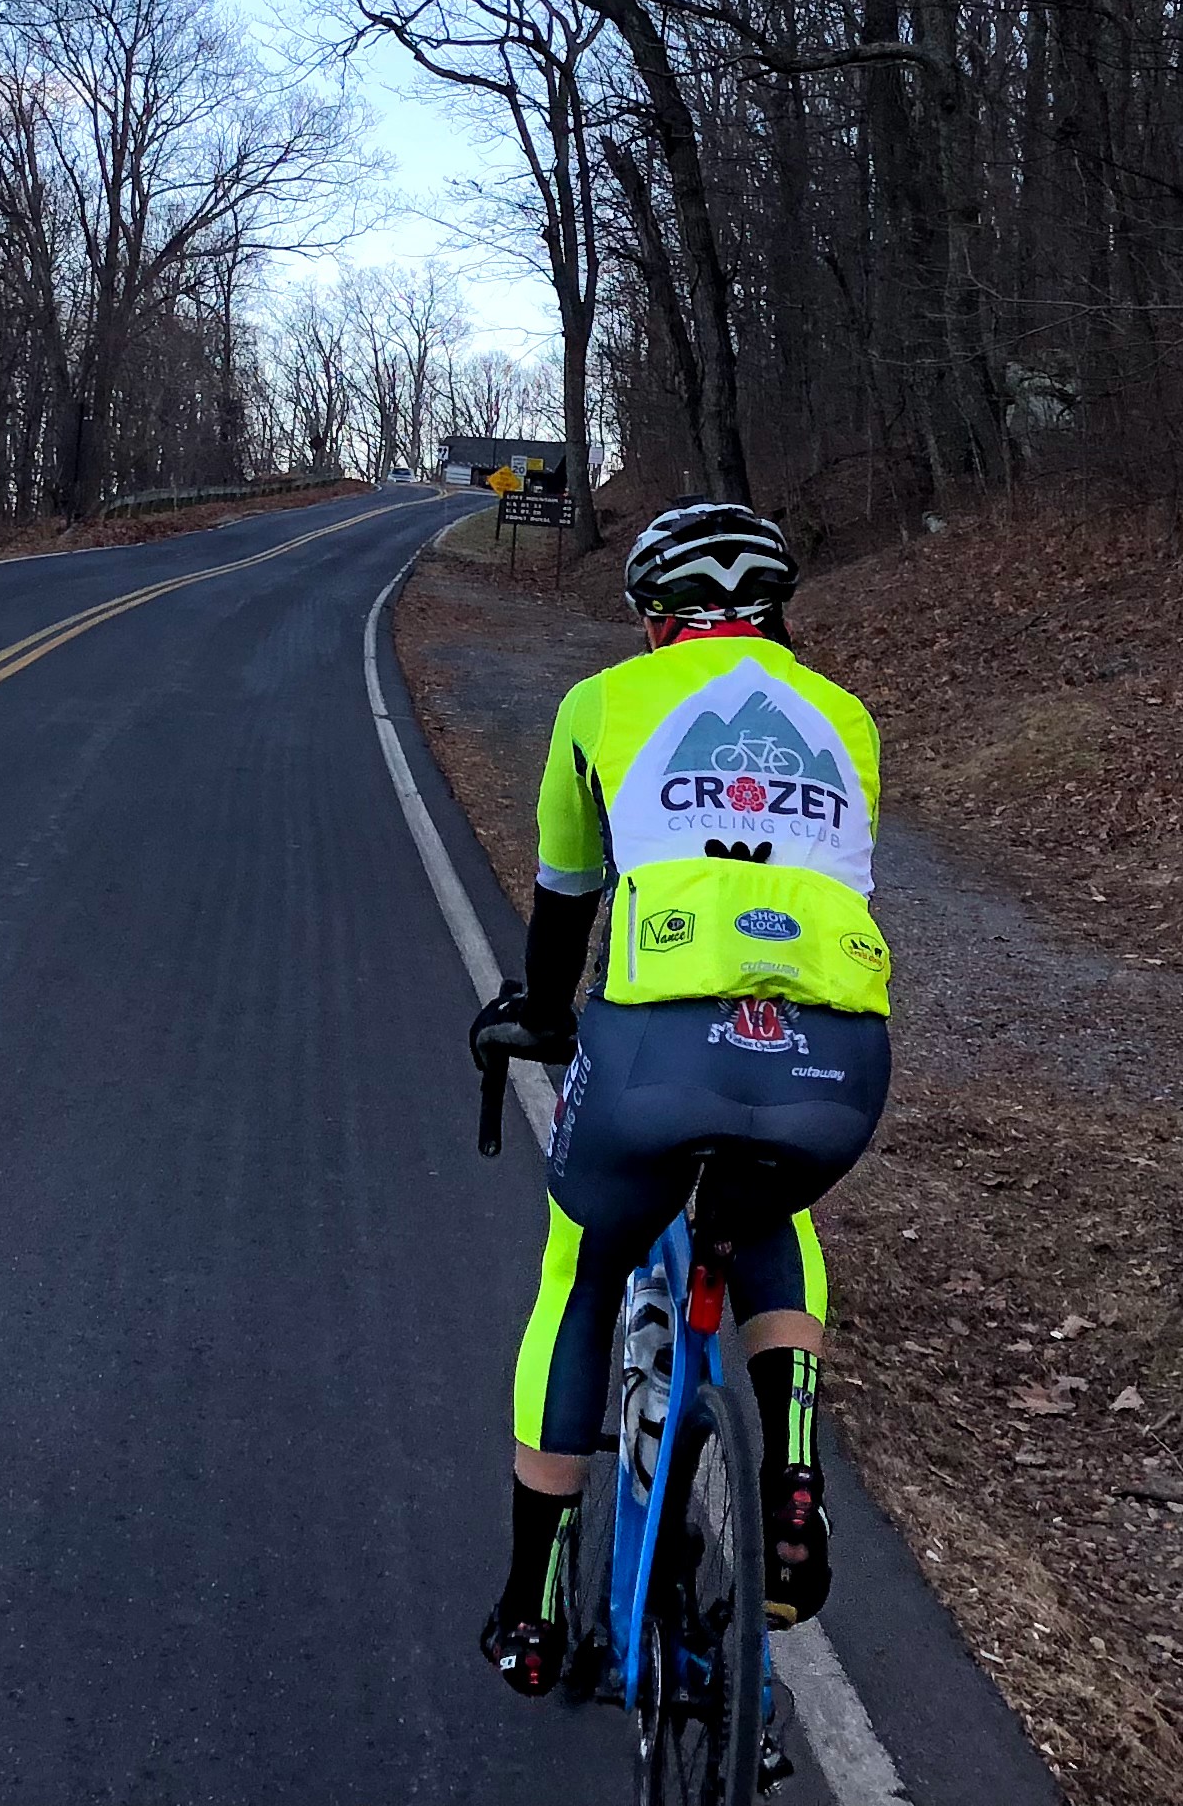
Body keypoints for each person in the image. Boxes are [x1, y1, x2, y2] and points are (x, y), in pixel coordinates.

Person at [470, 497, 891, 1696]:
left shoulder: (601, 704)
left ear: (651, 616)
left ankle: (536, 1603)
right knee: (773, 1214)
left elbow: (566, 895)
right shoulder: (847, 718)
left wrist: (545, 1019)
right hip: (836, 1051)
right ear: (778, 614)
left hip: (661, 1045)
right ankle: (792, 1473)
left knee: (584, 1268)